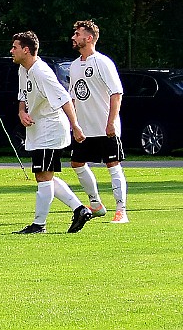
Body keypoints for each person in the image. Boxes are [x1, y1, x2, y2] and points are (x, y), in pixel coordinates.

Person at [10, 31, 95, 234]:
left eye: (15, 47)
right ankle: (80, 209)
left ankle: (39, 224)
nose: (11, 51)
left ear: (26, 50)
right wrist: (22, 112)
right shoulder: (24, 69)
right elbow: (23, 95)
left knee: (44, 176)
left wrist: (76, 126)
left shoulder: (41, 72)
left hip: (50, 129)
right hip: (38, 130)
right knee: (44, 176)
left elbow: (64, 98)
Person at [68, 20, 129, 223]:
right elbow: (74, 97)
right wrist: (74, 124)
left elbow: (116, 93)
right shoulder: (75, 66)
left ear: (89, 38)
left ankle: (121, 210)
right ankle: (96, 204)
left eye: (77, 34)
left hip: (105, 127)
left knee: (112, 164)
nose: (73, 37)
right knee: (77, 163)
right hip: (84, 129)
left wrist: (111, 122)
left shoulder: (103, 62)